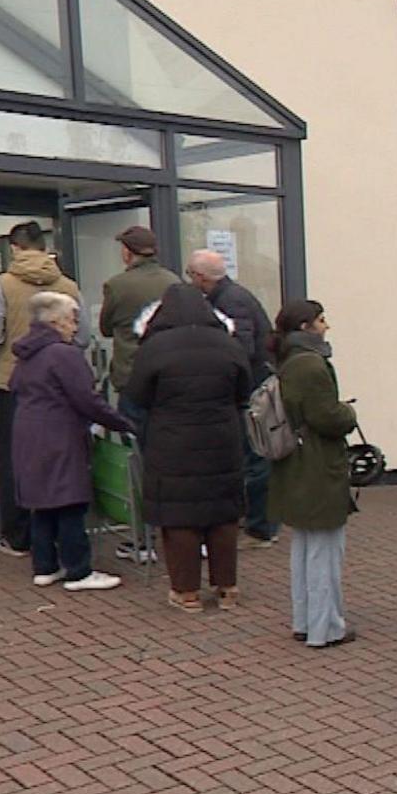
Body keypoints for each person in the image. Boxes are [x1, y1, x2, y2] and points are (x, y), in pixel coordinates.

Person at [122, 284, 251, 613]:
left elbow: (136, 395)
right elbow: (244, 389)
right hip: (223, 438)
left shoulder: (154, 346)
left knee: (180, 517)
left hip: (172, 442)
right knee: (223, 515)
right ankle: (227, 587)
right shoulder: (227, 343)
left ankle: (187, 592)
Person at [8, 292, 134, 591]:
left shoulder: (26, 353)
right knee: (69, 501)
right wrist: (123, 424)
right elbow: (87, 400)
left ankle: (45, 566)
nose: (75, 326)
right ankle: (79, 571)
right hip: (59, 434)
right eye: (71, 319)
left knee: (43, 503)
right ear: (54, 321)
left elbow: (14, 387)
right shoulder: (63, 354)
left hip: (28, 433)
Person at [0, 222, 83, 556]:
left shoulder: (2, 285)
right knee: (61, 459)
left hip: (14, 382)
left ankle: (19, 536)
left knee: (16, 460)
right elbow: (83, 336)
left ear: (14, 248)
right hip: (62, 385)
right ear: (43, 246)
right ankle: (62, 535)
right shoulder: (68, 285)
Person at [269, 300, 360, 647]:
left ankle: (306, 620)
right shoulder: (311, 364)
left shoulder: (289, 361)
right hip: (318, 463)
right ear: (306, 326)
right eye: (321, 320)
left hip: (296, 461)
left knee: (305, 547)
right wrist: (347, 415)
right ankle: (326, 628)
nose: (326, 325)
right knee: (325, 550)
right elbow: (326, 417)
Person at [185, 249, 279, 549]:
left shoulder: (230, 301)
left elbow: (242, 349)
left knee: (255, 456)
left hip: (250, 391)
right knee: (250, 456)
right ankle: (256, 520)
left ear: (200, 277)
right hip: (250, 386)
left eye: (191, 275)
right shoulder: (230, 297)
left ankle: (260, 528)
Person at [100, 225, 181, 563]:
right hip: (170, 383)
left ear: (127, 251)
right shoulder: (174, 282)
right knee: (174, 460)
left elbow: (105, 327)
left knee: (137, 462)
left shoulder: (117, 285)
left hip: (133, 382)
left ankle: (142, 539)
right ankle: (184, 534)